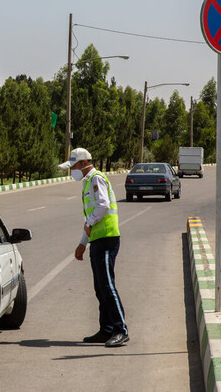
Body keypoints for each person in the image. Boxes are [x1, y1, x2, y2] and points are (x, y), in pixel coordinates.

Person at [58, 148, 129, 347]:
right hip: (98, 239)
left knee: (107, 286)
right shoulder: (88, 181)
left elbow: (103, 205)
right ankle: (106, 330)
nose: (71, 170)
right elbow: (89, 220)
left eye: (72, 166)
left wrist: (88, 225)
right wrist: (82, 243)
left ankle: (120, 330)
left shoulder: (96, 179)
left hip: (107, 238)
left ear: (82, 163)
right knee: (100, 288)